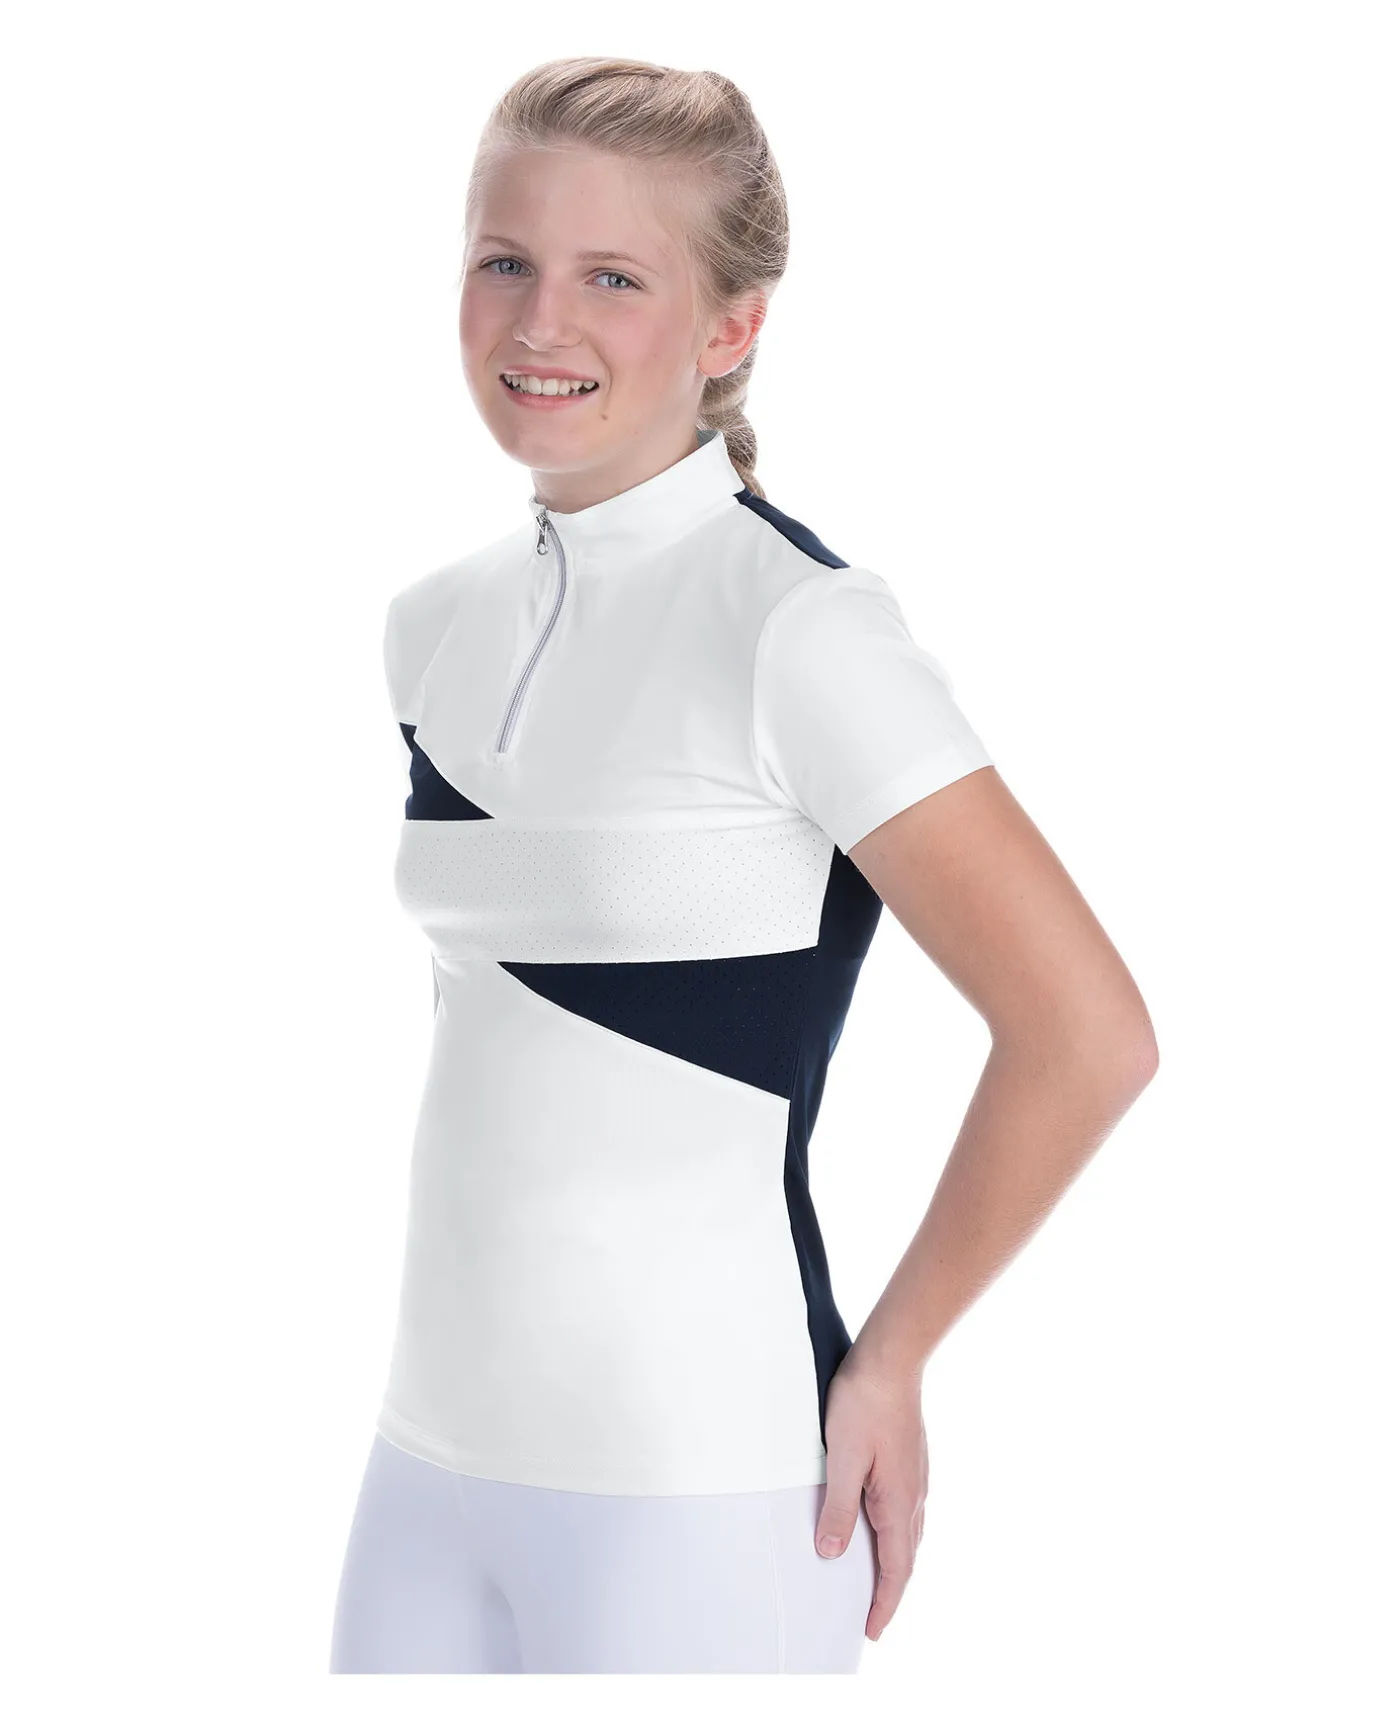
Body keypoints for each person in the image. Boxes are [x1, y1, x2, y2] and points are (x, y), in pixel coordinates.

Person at [329, 55, 1158, 1676]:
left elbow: (1086, 1032)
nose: (539, 321)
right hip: (423, 1465)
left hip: (699, 1493)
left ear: (731, 327)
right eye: (505, 260)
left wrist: (893, 1356)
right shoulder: (431, 629)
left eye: (612, 277)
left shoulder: (798, 631)